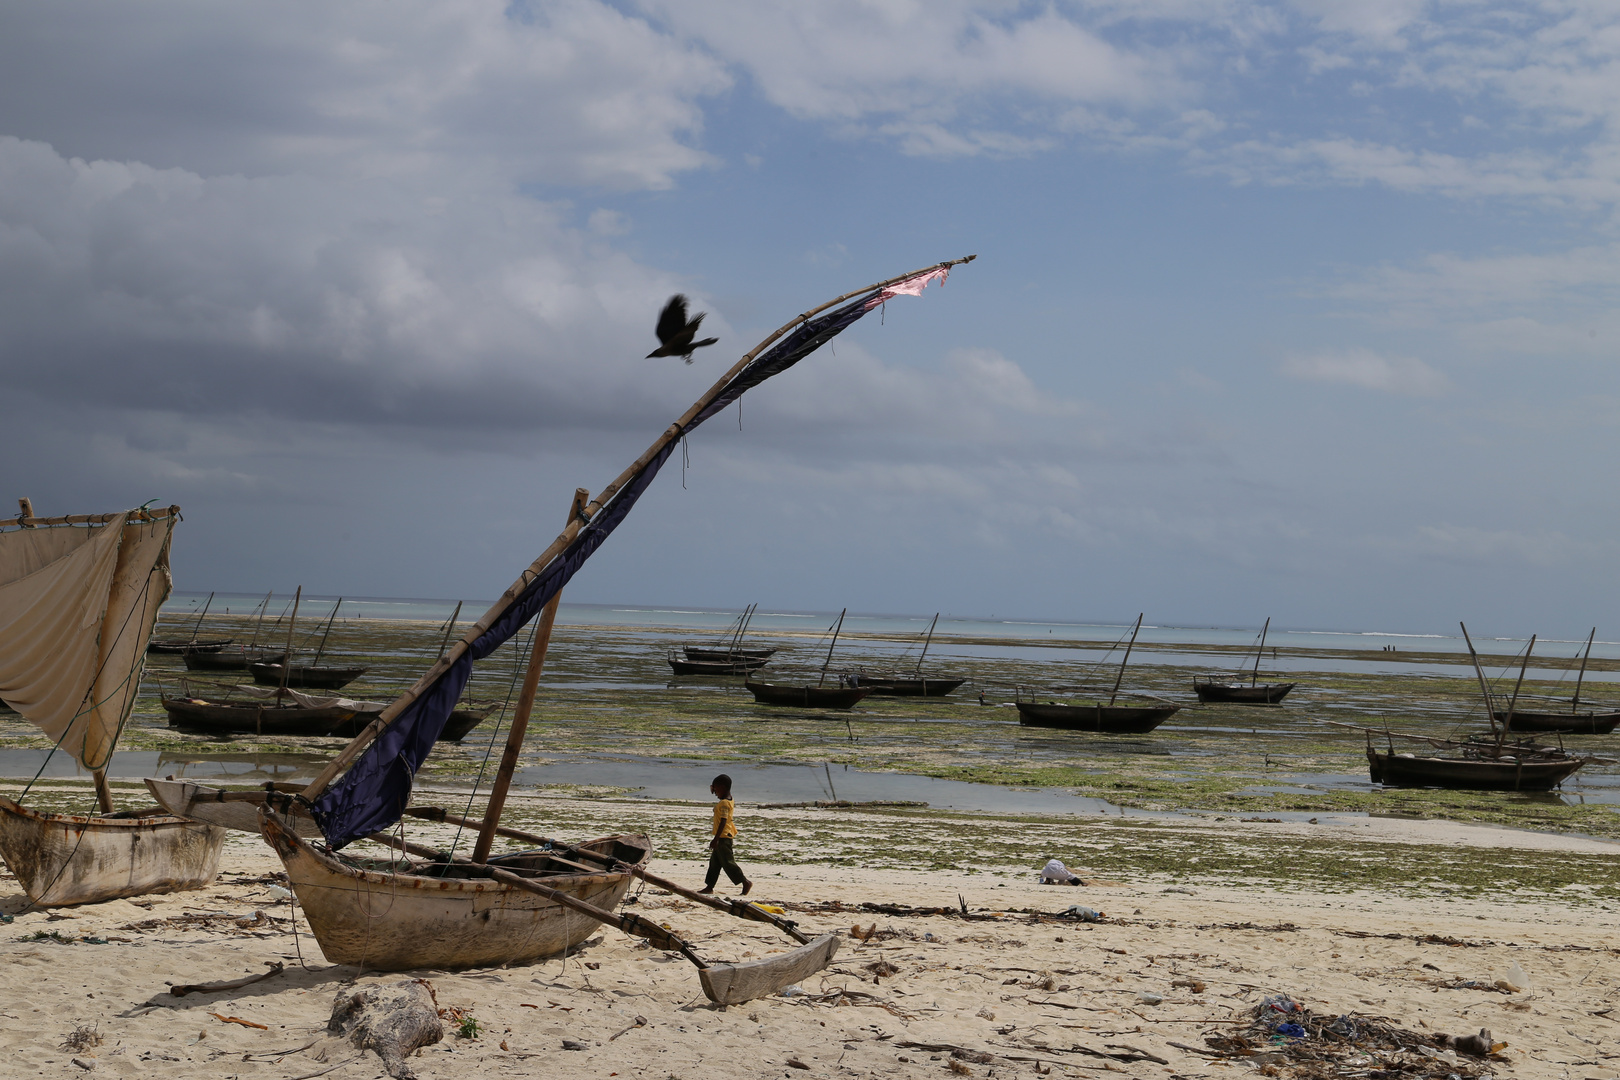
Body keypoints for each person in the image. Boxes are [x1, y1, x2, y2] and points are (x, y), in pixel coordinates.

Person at [698, 773, 752, 895]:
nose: (715, 792)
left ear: (722, 787)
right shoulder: (729, 800)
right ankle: (709, 886)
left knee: (728, 863)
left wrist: (715, 839)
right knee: (714, 864)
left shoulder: (724, 803)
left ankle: (745, 882)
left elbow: (723, 821)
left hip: (723, 838)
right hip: (722, 837)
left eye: (716, 789)